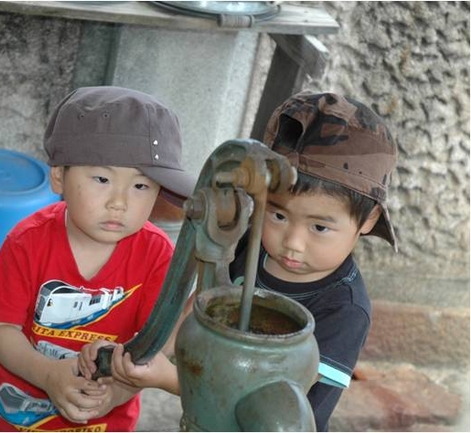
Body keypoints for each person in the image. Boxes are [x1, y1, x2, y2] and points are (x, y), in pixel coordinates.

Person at [79, 91, 398, 432]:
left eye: (319, 226)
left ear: (368, 220)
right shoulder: (256, 246)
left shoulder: (344, 311)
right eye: (276, 215)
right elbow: (202, 305)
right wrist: (147, 355)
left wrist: (168, 377)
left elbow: (296, 413)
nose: (292, 242)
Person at [0, 86, 195, 432]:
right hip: (10, 419)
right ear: (59, 176)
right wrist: (48, 374)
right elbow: (1, 329)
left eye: (141, 186)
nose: (119, 202)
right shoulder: (27, 242)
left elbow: (155, 347)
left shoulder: (158, 255)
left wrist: (117, 392)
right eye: (102, 179)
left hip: (103, 422)